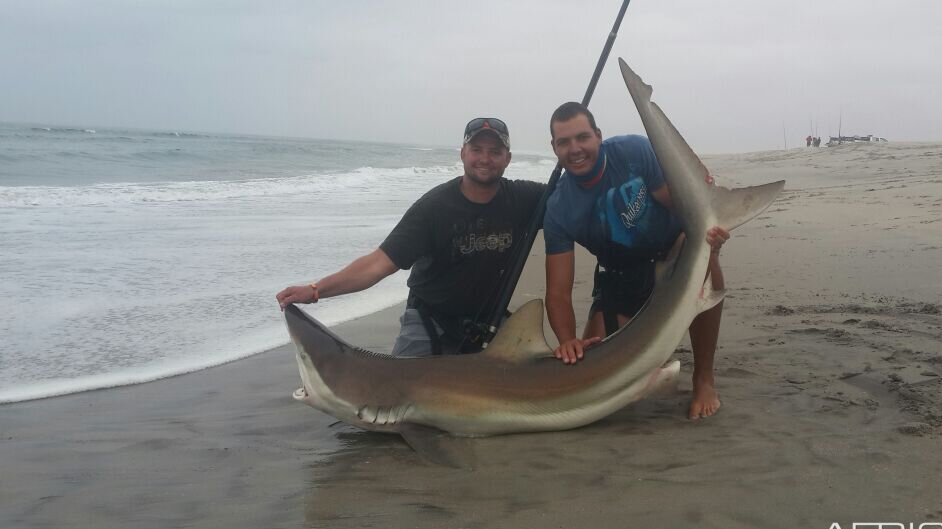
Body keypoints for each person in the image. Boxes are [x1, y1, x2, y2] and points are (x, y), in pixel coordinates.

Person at [277, 117, 546, 357]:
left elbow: (575, 197)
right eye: (476, 150)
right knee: (397, 399)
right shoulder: (434, 208)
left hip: (491, 320)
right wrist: (315, 290)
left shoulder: (523, 200)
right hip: (430, 320)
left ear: (508, 158)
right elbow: (377, 264)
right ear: (463, 154)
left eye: (495, 151)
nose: (485, 159)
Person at [542, 102, 729, 420]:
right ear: (554, 147)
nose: (575, 149)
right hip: (621, 274)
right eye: (564, 142)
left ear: (598, 136)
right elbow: (558, 291)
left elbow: (681, 206)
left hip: (673, 249)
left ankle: (703, 379)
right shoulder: (559, 208)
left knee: (701, 257)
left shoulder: (633, 152)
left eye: (582, 137)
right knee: (600, 370)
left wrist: (710, 236)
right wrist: (567, 340)